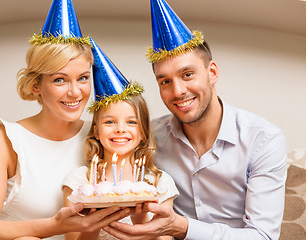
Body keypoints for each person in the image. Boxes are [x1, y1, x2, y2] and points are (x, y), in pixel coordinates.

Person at [103, 0, 287, 239]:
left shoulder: (263, 140)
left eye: (187, 74)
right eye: (165, 81)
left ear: (212, 72)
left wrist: (181, 227)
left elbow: (263, 236)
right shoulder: (149, 136)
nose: (178, 91)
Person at [0, 1, 129, 239]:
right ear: (36, 86)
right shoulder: (4, 138)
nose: (75, 92)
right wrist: (55, 225)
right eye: (59, 80)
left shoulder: (102, 135)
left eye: (83, 78)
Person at [62, 39, 179, 240]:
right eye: (109, 122)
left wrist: (141, 222)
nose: (120, 130)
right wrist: (92, 218)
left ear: (143, 132)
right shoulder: (80, 183)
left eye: (131, 122)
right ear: (96, 132)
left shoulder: (159, 183)